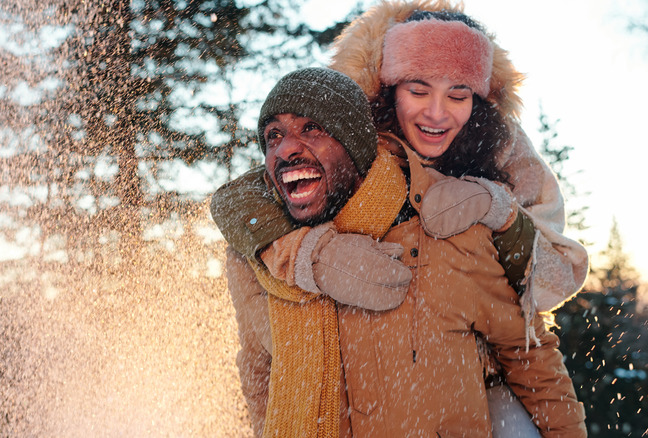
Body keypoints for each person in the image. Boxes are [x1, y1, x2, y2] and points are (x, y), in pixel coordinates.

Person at [212, 3, 589, 436]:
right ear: (387, 90)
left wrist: (496, 209)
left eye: (458, 94)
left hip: (470, 383)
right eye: (418, 88)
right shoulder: (346, 135)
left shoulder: (501, 151)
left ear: (478, 101)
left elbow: (549, 288)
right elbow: (245, 196)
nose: (436, 112)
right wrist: (310, 253)